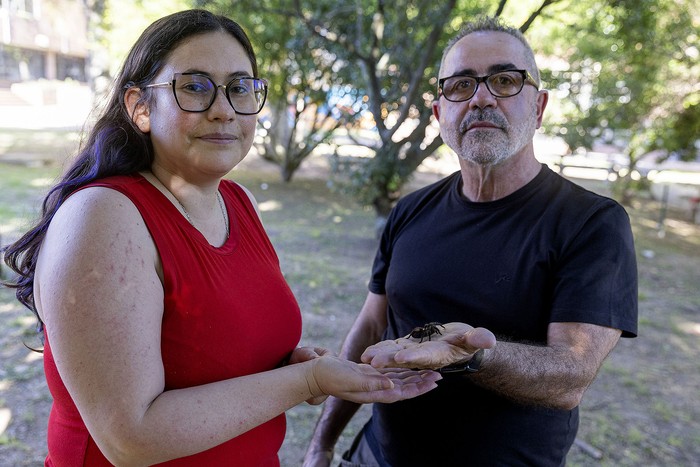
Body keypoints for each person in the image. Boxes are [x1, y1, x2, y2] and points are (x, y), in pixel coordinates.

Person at [0, 9, 442, 466]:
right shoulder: (103, 215)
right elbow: (131, 438)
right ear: (140, 107)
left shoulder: (238, 203)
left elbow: (216, 353)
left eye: (239, 87)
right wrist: (307, 381)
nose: (224, 109)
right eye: (194, 86)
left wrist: (289, 367)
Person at [303, 15, 638, 467]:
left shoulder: (591, 223)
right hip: (375, 456)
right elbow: (368, 328)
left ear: (538, 108)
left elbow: (570, 378)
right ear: (441, 114)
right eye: (460, 86)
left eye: (504, 80)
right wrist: (322, 443)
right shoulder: (411, 210)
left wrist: (469, 356)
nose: (481, 98)